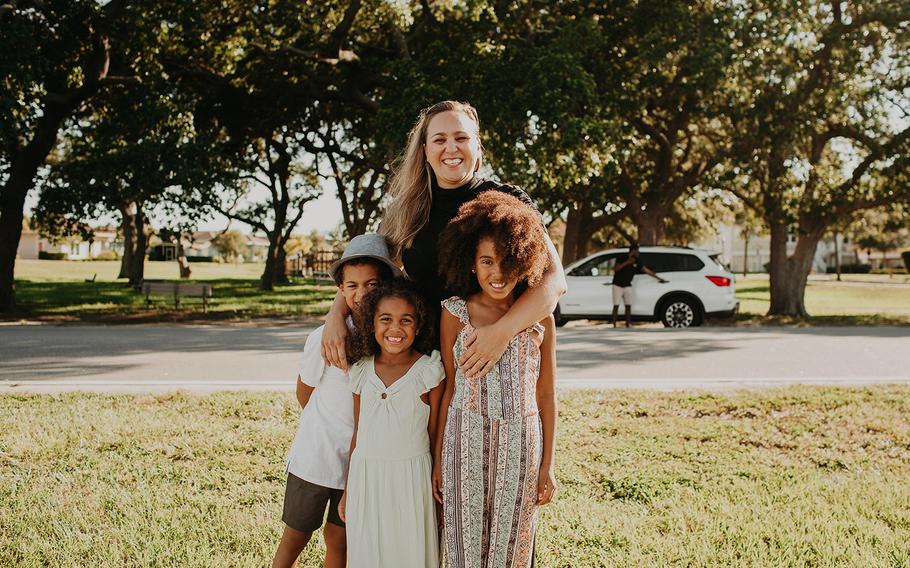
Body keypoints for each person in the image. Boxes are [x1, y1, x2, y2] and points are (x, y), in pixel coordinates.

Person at [320, 100, 566, 381]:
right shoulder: (406, 211)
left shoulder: (509, 202)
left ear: (477, 146)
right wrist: (335, 316)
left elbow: (554, 281)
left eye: (461, 138)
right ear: (425, 151)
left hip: (496, 356)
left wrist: (500, 333)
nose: (451, 148)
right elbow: (368, 268)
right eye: (440, 139)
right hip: (428, 359)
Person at [433, 191, 558, 568]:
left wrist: (547, 464)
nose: (497, 272)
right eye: (486, 261)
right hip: (463, 439)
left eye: (507, 260)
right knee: (462, 546)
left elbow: (547, 394)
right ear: (471, 263)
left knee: (512, 546)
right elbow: (449, 386)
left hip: (522, 442)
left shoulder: (541, 319)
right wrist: (440, 456)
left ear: (524, 261)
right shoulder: (455, 313)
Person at [272, 233, 399, 568]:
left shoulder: (389, 337)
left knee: (341, 539)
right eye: (352, 286)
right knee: (295, 536)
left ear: (385, 286)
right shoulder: (325, 337)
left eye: (371, 285)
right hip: (316, 456)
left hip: (358, 463)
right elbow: (305, 391)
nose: (361, 294)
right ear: (341, 290)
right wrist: (323, 427)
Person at [338, 279, 445, 568]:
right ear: (372, 324)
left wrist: (437, 474)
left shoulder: (428, 371)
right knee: (368, 551)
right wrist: (348, 490)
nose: (395, 329)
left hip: (412, 478)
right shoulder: (361, 370)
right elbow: (358, 433)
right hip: (366, 477)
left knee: (408, 551)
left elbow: (436, 432)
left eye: (405, 320)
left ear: (418, 326)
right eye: (385, 319)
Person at [611, 244, 667, 328]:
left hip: (627, 285)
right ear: (632, 251)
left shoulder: (637, 261)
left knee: (628, 305)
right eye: (637, 251)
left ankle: (628, 323)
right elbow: (616, 269)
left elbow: (646, 270)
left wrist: (658, 278)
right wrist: (627, 262)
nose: (639, 253)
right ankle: (614, 324)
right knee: (616, 305)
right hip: (617, 285)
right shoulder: (622, 257)